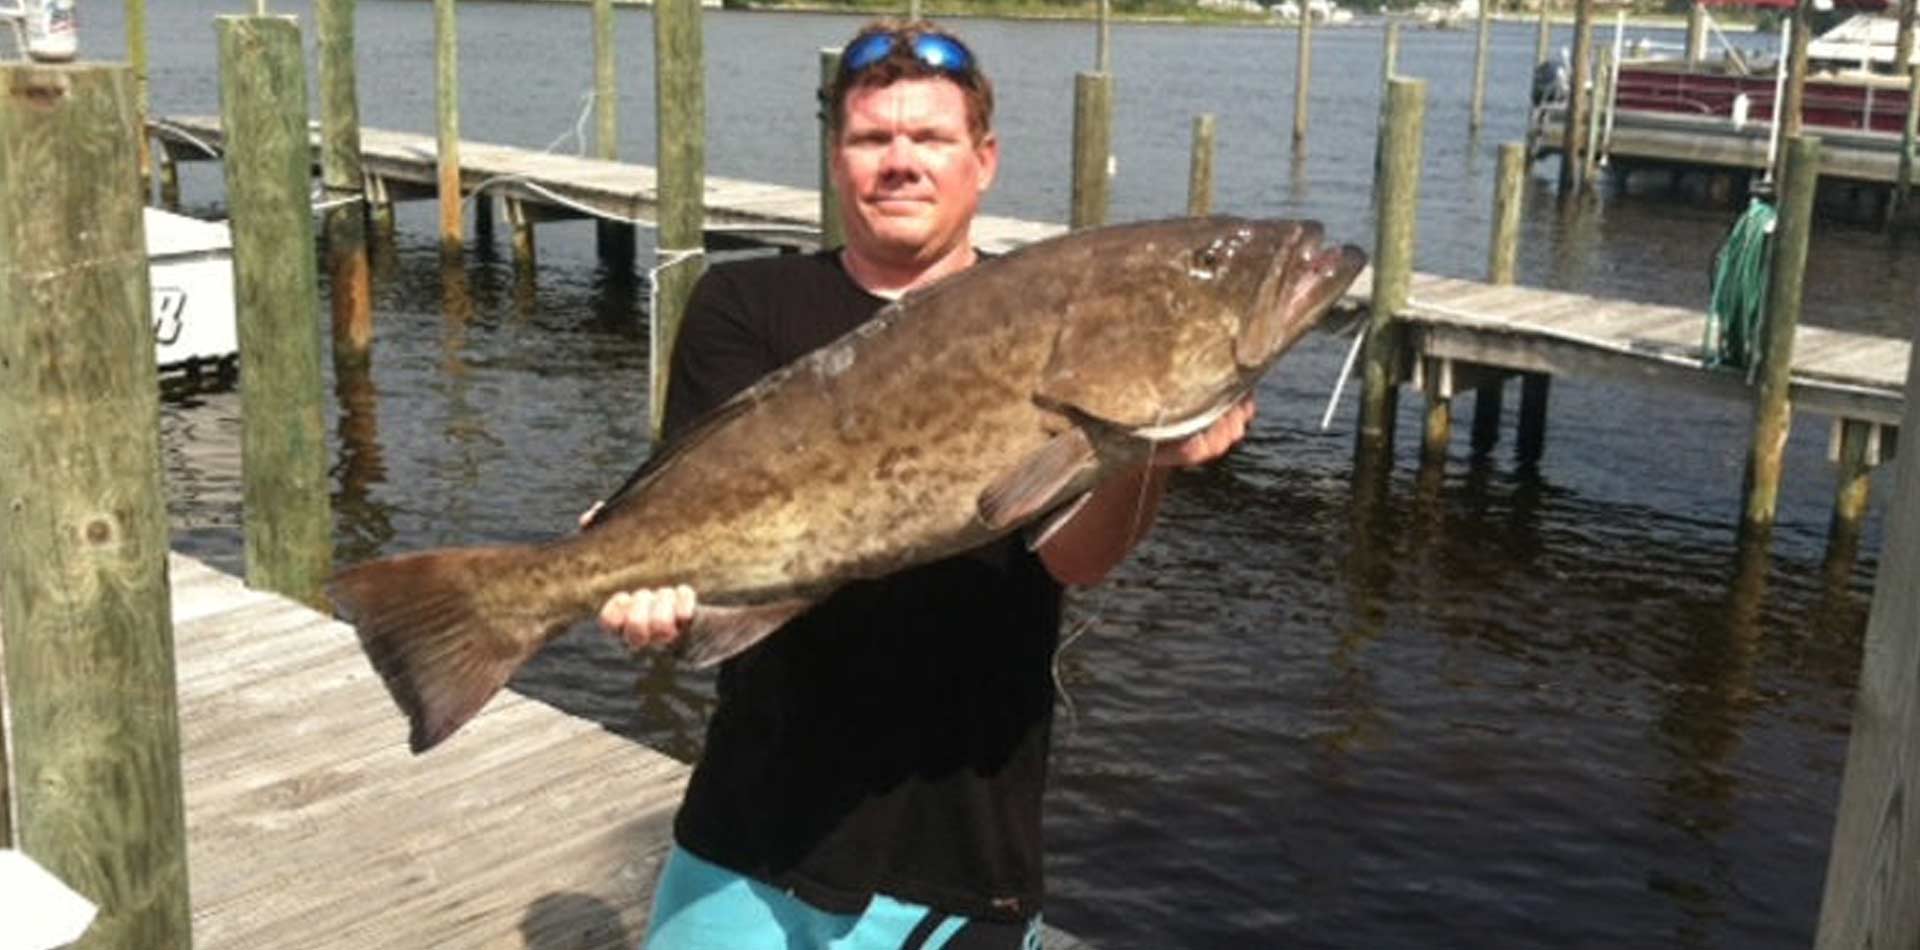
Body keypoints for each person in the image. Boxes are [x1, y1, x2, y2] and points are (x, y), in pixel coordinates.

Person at [599, 20, 1255, 948]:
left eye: (932, 140)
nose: (900, 163)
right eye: (873, 139)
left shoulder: (1062, 318)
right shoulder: (744, 305)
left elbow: (1074, 561)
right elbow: (682, 520)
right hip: (754, 833)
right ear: (838, 162)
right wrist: (637, 580)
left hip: (967, 856)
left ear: (983, 162)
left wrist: (1140, 455)